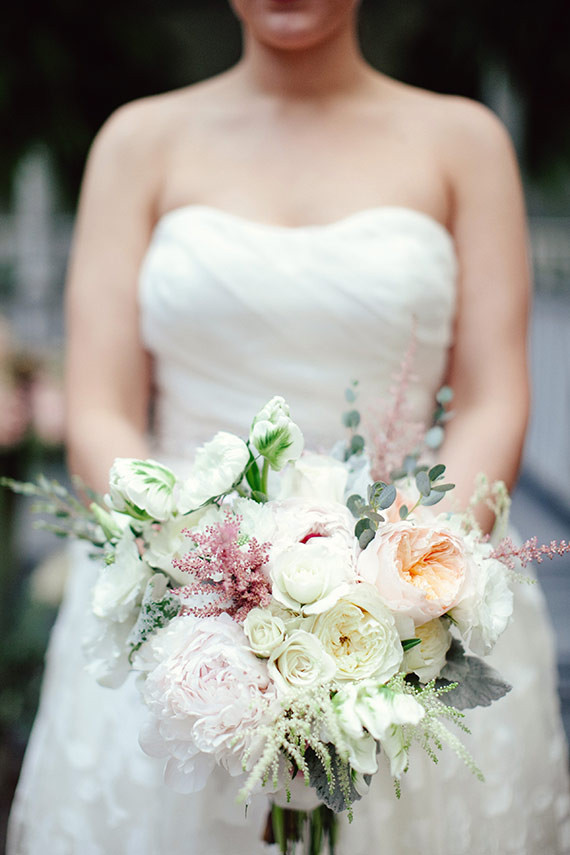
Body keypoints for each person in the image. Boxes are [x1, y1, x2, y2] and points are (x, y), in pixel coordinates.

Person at [7, 0, 570, 852]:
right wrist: (196, 578)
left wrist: (410, 586)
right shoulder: (138, 142)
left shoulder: (465, 141)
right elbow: (100, 404)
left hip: (415, 579)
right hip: (182, 591)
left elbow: (493, 394)